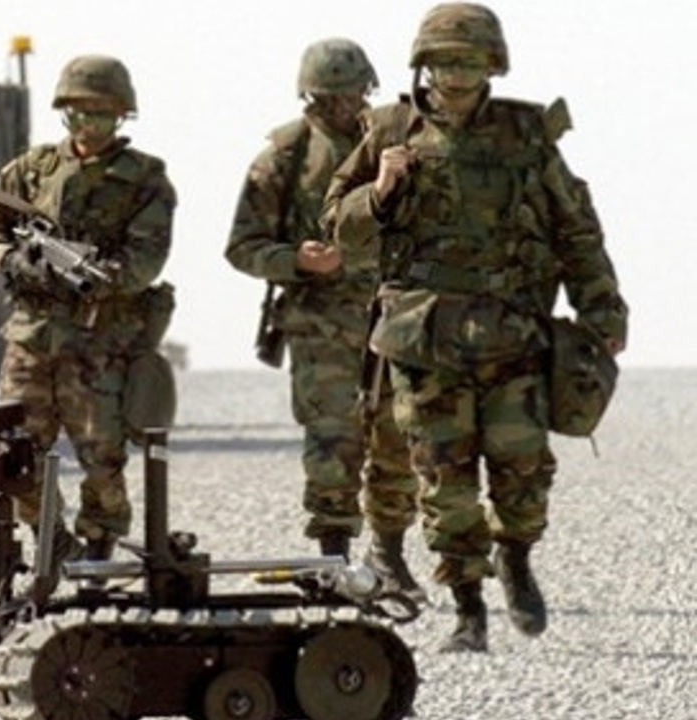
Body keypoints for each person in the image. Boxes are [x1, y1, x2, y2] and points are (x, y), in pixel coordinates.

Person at [324, 2, 628, 652]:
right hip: (423, 339)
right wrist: (379, 191)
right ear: (424, 66)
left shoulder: (526, 134)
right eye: (444, 62)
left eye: (469, 61)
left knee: (523, 467)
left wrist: (603, 309)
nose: (456, 74)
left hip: (513, 334)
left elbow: (575, 229)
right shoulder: (390, 130)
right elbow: (338, 225)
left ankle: (515, 556)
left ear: (492, 65)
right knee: (444, 478)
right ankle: (468, 609)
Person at [225, 39, 424, 599]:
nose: (342, 108)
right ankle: (334, 560)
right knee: (333, 444)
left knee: (398, 438)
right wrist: (296, 260)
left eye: (352, 95)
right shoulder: (285, 157)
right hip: (321, 324)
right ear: (308, 97)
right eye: (327, 99)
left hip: (396, 315)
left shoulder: (396, 140)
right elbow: (242, 246)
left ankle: (388, 555)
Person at [0, 54, 175, 565]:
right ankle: (51, 541)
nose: (88, 125)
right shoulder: (31, 170)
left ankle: (98, 552)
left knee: (102, 459)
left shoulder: (145, 179)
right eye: (78, 113)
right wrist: (14, 259)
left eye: (101, 114)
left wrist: (96, 277)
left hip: (100, 342)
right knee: (10, 450)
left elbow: (145, 260)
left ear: (121, 115)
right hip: (31, 338)